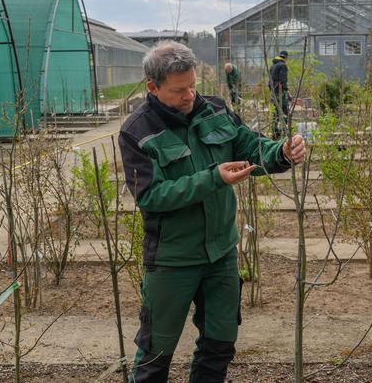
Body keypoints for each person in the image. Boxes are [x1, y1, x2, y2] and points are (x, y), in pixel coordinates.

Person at [118, 41, 305, 382]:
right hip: (173, 259)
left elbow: (250, 146)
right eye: (178, 91)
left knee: (219, 345)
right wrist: (212, 178)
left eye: (192, 85)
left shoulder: (215, 110)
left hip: (221, 254)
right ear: (153, 87)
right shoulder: (137, 132)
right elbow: (150, 195)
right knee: (155, 354)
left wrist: (281, 152)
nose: (189, 96)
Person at [268, 50, 289, 139]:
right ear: (286, 57)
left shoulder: (272, 66)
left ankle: (275, 131)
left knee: (275, 113)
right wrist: (286, 90)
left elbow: (269, 81)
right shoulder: (283, 65)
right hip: (280, 92)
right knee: (285, 112)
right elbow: (283, 79)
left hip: (273, 92)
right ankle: (284, 131)